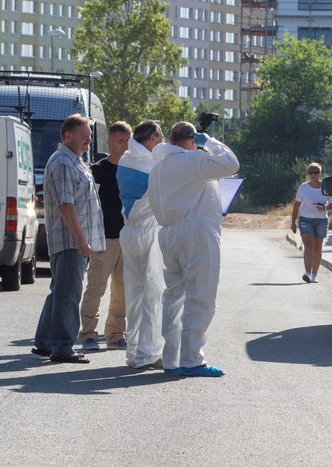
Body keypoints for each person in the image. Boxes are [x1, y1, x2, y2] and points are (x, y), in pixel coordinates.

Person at [147, 121, 240, 378]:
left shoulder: (159, 167)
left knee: (174, 295)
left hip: (168, 232)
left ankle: (172, 357)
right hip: (196, 232)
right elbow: (231, 164)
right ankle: (192, 359)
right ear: (191, 140)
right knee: (201, 295)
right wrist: (208, 141)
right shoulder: (191, 161)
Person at [32, 114, 105, 364]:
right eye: (84, 135)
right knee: (68, 293)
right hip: (70, 240)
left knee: (59, 291)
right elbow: (66, 205)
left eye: (90, 136)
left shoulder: (75, 161)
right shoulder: (63, 163)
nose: (89, 140)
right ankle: (62, 347)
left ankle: (44, 342)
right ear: (67, 136)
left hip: (74, 240)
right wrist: (81, 240)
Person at [116, 120, 165, 370]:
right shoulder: (154, 165)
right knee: (154, 293)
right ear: (154, 138)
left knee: (134, 296)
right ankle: (150, 352)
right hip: (149, 232)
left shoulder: (126, 158)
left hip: (129, 231)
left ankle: (134, 352)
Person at [78, 121, 131, 352]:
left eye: (129, 140)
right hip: (103, 239)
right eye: (121, 141)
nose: (126, 145)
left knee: (123, 290)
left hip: (128, 239)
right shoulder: (96, 171)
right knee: (96, 288)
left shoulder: (133, 170)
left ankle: (115, 334)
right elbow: (87, 205)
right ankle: (88, 333)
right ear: (109, 142)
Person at [290, 162, 332, 283]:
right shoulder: (303, 187)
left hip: (321, 220)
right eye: (311, 172)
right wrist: (293, 222)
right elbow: (296, 205)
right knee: (309, 246)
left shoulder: (327, 186)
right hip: (305, 219)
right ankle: (307, 273)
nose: (313, 174)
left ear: (320, 173)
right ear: (308, 174)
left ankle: (314, 275)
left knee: (318, 248)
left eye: (316, 172)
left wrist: (324, 208)